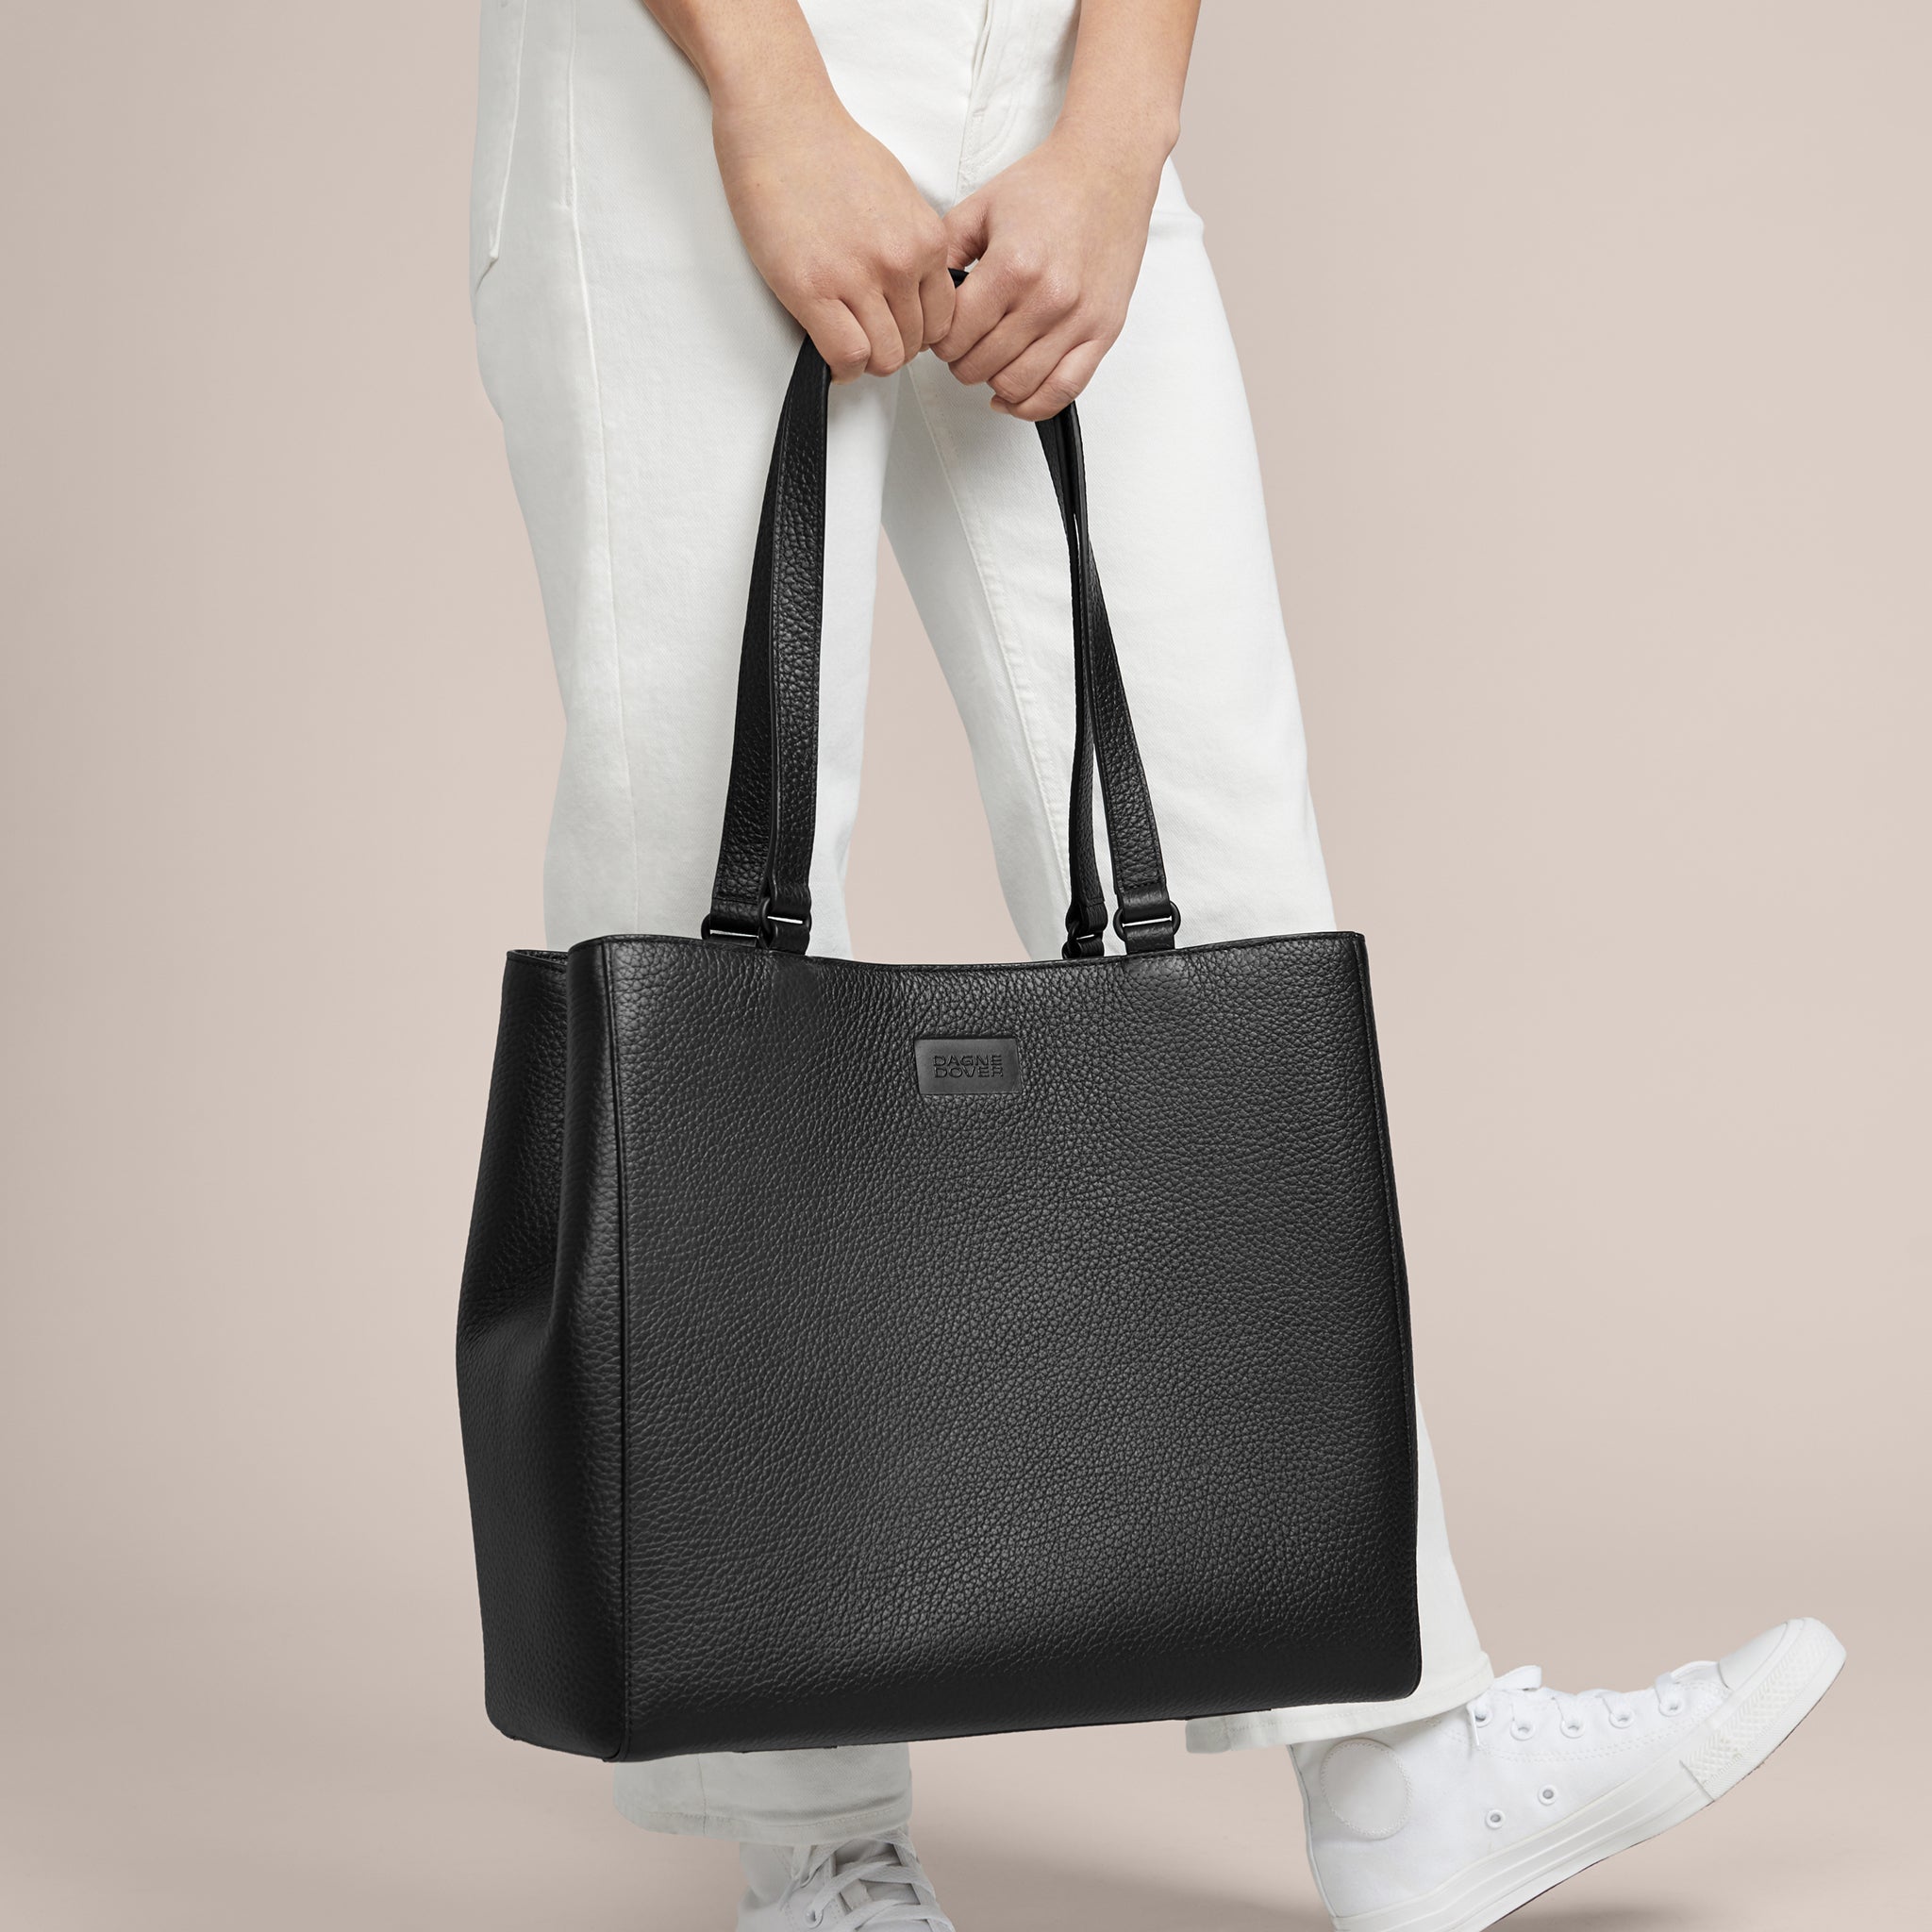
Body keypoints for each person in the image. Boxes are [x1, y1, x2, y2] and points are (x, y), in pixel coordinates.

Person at [466, 4, 1842, 1927]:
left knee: (1220, 881)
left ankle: (1405, 1770)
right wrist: (770, 95)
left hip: (1049, 83)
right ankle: (815, 1836)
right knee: (709, 903)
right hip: (698, 73)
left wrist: (1118, 128)